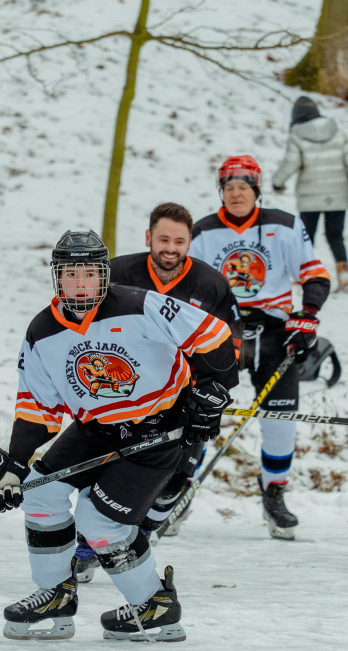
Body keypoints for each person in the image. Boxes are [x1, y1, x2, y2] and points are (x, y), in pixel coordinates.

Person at [0, 229, 238, 642]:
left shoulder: (140, 305)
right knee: (39, 491)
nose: (80, 284)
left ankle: (154, 605)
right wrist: (13, 464)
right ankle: (55, 593)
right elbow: (36, 407)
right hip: (96, 427)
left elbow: (214, 336)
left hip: (157, 427)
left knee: (98, 520)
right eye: (70, 275)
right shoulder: (42, 331)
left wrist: (211, 390)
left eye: (89, 274)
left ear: (104, 275)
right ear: (56, 278)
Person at [74, 202, 242, 583]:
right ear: (148, 237)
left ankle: (139, 536)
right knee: (104, 472)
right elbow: (82, 325)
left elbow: (230, 344)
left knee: (172, 484)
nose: (171, 248)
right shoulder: (116, 273)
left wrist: (214, 389)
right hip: (124, 393)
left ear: (189, 242)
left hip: (185, 401)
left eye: (179, 241)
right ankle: (86, 546)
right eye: (163, 239)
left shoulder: (211, 284)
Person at [190, 154, 330, 540]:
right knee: (198, 411)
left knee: (280, 418)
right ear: (221, 192)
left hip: (274, 331)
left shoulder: (285, 225)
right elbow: (187, 287)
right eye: (229, 187)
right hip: (221, 331)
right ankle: (178, 489)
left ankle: (274, 493)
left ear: (256, 190)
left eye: (243, 187)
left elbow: (315, 275)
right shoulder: (201, 231)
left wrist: (308, 315)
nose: (236, 194)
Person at [272, 96, 348, 294]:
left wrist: (277, 182)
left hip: (309, 199)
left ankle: (304, 275)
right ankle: (344, 273)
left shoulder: (297, 135)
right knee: (335, 236)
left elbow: (290, 163)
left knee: (307, 238)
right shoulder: (337, 133)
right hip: (336, 197)